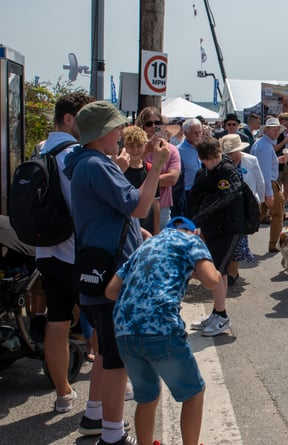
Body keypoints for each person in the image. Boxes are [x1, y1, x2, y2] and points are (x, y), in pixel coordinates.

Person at [64, 100, 169, 445]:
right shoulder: (97, 165)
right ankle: (112, 434)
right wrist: (156, 168)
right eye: (117, 127)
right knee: (115, 358)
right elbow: (139, 205)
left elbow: (108, 213)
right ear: (103, 133)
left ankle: (94, 417)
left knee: (106, 351)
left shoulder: (83, 163)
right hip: (111, 273)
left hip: (95, 268)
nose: (122, 133)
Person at [106, 216, 219, 445]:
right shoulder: (191, 241)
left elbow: (111, 290)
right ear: (193, 231)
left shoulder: (146, 245)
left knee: (147, 396)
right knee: (194, 393)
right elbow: (211, 280)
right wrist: (204, 270)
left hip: (124, 329)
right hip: (160, 326)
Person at [34, 91, 95, 414]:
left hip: (46, 251)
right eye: (84, 119)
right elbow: (83, 206)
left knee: (56, 323)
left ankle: (63, 394)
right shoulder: (72, 154)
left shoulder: (40, 148)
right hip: (78, 251)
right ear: (70, 119)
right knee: (100, 321)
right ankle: (106, 396)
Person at [188, 136, 244, 336]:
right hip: (211, 228)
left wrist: (200, 216)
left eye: (214, 157)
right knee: (221, 271)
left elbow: (227, 197)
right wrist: (194, 220)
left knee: (217, 271)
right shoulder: (202, 172)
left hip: (229, 228)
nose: (211, 162)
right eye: (207, 159)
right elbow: (194, 197)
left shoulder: (228, 171)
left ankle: (221, 316)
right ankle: (217, 313)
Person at [220, 133, 265, 285]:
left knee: (238, 238)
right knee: (228, 238)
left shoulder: (251, 160)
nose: (230, 155)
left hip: (245, 206)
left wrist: (260, 201)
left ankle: (233, 270)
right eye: (227, 153)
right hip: (226, 206)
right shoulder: (220, 163)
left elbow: (260, 181)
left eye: (232, 152)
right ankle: (229, 269)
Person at [136, 107, 181, 229]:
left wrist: (145, 180)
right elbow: (131, 172)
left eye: (157, 123)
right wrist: (147, 149)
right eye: (149, 123)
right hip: (137, 204)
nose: (153, 126)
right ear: (142, 127)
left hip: (162, 207)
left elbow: (172, 179)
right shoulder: (135, 149)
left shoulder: (171, 150)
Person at [250, 117, 288, 253]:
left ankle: (239, 241)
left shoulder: (261, 144)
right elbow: (265, 172)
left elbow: (262, 167)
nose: (276, 132)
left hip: (265, 184)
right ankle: (275, 244)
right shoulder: (265, 146)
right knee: (277, 213)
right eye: (274, 130)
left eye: (278, 130)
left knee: (258, 214)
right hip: (269, 184)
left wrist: (277, 160)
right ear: (266, 130)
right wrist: (269, 193)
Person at [121, 126, 161, 234]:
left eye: (139, 145)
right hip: (126, 230)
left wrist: (156, 231)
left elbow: (155, 203)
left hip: (147, 226)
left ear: (145, 146)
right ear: (124, 146)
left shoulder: (150, 169)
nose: (135, 150)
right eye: (130, 145)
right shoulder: (119, 170)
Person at [173, 118, 204, 217]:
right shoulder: (178, 151)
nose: (199, 135)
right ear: (186, 134)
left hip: (203, 192)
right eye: (195, 133)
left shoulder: (205, 147)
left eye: (200, 132)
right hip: (187, 193)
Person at [276, 112, 288, 209]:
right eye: (283, 123)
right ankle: (279, 210)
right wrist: (284, 141)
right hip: (278, 163)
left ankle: (281, 207)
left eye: (287, 123)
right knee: (278, 190)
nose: (285, 125)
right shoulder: (276, 134)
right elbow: (274, 149)